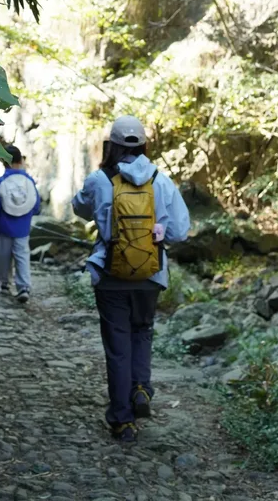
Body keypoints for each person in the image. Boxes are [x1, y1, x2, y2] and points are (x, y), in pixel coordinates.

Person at [72, 115, 190, 442]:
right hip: (150, 275)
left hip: (111, 275)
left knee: (118, 346)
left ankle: (122, 420)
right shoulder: (161, 181)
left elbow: (79, 208)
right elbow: (180, 231)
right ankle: (141, 388)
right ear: (144, 145)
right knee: (142, 332)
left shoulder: (99, 180)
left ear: (112, 145)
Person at [0, 144, 41, 304]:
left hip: (4, 226)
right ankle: (23, 287)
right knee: (22, 256)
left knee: (3, 256)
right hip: (23, 228)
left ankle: (4, 284)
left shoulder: (1, 181)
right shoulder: (29, 180)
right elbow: (37, 207)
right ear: (20, 160)